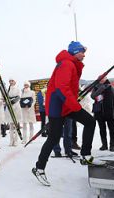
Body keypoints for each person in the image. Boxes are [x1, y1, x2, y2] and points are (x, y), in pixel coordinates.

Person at [32, 41, 100, 186]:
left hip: (66, 105)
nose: (84, 54)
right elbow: (61, 89)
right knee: (53, 137)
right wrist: (75, 105)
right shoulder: (66, 64)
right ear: (76, 52)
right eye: (82, 51)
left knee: (90, 122)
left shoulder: (72, 64)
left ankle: (85, 154)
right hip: (58, 107)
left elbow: (70, 85)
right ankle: (39, 168)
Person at [91, 77, 114, 152]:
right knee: (102, 129)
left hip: (109, 112)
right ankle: (104, 145)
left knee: (112, 129)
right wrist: (101, 88)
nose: (101, 80)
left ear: (105, 79)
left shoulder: (110, 87)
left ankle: (112, 146)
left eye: (103, 78)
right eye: (100, 78)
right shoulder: (95, 87)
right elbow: (93, 96)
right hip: (99, 112)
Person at [6, 78, 22, 147]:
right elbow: (7, 97)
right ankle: (11, 141)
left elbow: (19, 97)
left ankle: (16, 141)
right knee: (11, 126)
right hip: (10, 108)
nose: (11, 82)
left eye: (12, 81)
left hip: (16, 108)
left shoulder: (17, 89)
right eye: (10, 81)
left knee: (16, 125)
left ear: (15, 81)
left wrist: (12, 101)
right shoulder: (8, 89)